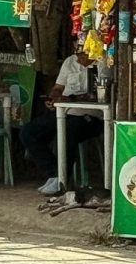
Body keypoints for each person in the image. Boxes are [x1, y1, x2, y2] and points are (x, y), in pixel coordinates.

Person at [19, 43, 100, 195]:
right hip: (63, 112)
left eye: (82, 53)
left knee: (68, 131)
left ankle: (63, 179)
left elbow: (100, 95)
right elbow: (58, 88)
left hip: (90, 116)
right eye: (77, 52)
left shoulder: (104, 63)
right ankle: (54, 174)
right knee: (29, 132)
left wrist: (71, 99)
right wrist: (54, 98)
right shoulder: (70, 61)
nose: (78, 57)